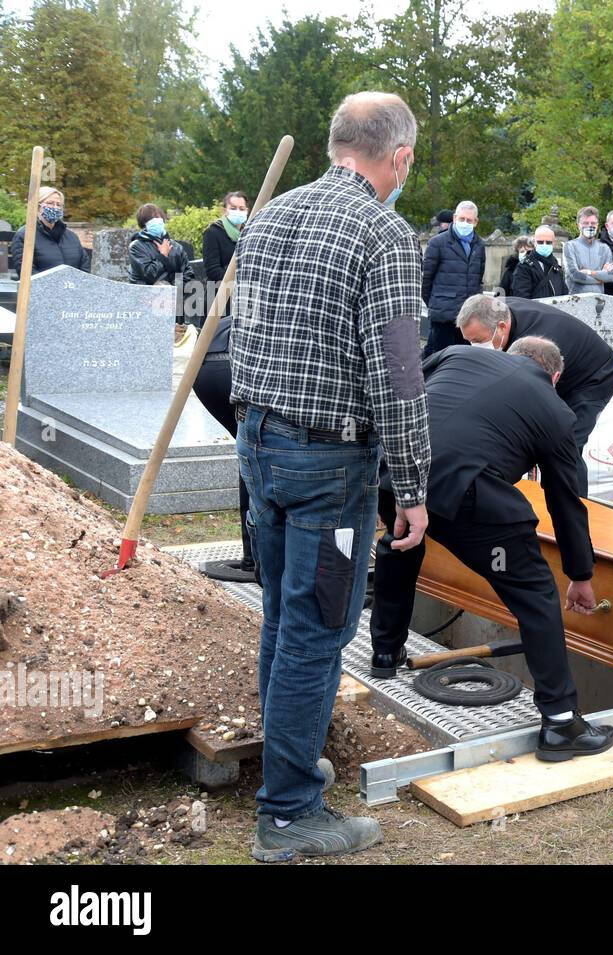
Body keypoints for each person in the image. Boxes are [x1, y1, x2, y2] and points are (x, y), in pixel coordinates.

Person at [231, 91, 432, 861]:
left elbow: (245, 329)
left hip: (261, 443)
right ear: (399, 157)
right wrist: (412, 485)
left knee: (286, 621)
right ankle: (287, 813)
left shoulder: (271, 215)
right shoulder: (383, 234)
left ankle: (288, 770)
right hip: (327, 466)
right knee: (315, 631)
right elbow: (400, 375)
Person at [368, 339, 613, 760]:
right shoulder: (556, 411)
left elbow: (403, 393)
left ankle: (384, 651)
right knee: (536, 594)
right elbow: (564, 500)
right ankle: (561, 724)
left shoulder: (457, 354)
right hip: (465, 496)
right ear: (554, 377)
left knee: (401, 544)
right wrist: (580, 574)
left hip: (396, 473)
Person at [457, 294, 613, 496]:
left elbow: (532, 398)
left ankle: (575, 507)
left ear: (502, 327)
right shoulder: (495, 312)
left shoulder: (537, 344)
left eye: (479, 340)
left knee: (566, 445)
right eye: (469, 340)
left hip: (591, 377)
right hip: (557, 367)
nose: (475, 347)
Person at [192, 313, 255, 582]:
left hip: (203, 366)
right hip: (236, 368)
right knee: (256, 455)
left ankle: (251, 556)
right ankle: (254, 557)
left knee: (250, 456)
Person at [421, 199, 485, 356]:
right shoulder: (438, 243)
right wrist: (436, 303)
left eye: (469, 220)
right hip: (443, 315)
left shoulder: (479, 245)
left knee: (463, 360)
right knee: (439, 359)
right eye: (461, 219)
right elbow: (425, 279)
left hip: (468, 316)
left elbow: (478, 278)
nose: (465, 222)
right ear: (455, 218)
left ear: (475, 222)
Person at [8, 187, 90, 276]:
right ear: (37, 207)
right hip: (42, 288)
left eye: (58, 204)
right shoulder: (25, 236)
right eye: (50, 203)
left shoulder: (71, 236)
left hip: (73, 288)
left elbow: (84, 265)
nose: (55, 207)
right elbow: (26, 272)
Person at [201, 191, 248, 316]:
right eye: (233, 208)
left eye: (242, 208)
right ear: (225, 210)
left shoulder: (248, 233)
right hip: (218, 297)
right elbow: (212, 270)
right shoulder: (213, 232)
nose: (238, 211)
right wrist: (238, 280)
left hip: (242, 297)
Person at [127, 203, 194, 286]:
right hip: (147, 296)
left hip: (174, 295)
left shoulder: (176, 247)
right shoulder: (136, 247)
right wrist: (163, 256)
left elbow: (187, 273)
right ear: (144, 224)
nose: (156, 220)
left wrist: (173, 289)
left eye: (158, 217)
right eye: (151, 219)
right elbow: (148, 275)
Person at [565, 206, 613, 294]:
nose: (589, 226)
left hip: (599, 300)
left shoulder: (605, 248)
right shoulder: (569, 246)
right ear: (578, 225)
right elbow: (575, 275)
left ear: (597, 225)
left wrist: (589, 272)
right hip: (575, 300)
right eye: (585, 223)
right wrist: (601, 278)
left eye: (593, 223)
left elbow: (611, 276)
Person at [511, 226, 566, 299]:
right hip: (535, 310)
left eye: (548, 242)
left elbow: (564, 294)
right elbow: (521, 298)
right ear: (534, 242)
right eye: (540, 242)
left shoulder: (557, 267)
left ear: (554, 243)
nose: (544, 245)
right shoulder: (524, 267)